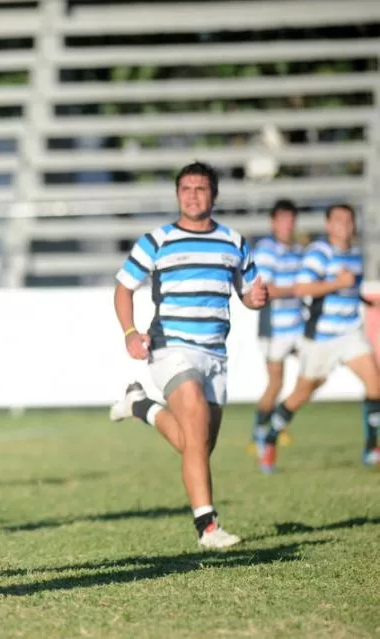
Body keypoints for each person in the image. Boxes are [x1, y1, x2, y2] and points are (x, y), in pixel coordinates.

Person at [109, 161, 268, 549]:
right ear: (177, 194)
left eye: (200, 188)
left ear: (213, 194)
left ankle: (139, 405)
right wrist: (130, 333)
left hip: (215, 354)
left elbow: (248, 292)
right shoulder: (157, 240)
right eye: (185, 188)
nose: (192, 195)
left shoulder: (233, 241)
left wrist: (256, 299)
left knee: (194, 443)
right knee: (194, 425)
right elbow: (123, 288)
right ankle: (208, 528)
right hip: (170, 348)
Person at [256, 204, 380, 470]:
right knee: (302, 393)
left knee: (375, 381)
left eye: (349, 220)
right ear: (328, 225)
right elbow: (301, 288)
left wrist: (368, 303)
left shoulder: (355, 255)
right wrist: (337, 283)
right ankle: (270, 436)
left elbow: (350, 289)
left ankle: (371, 448)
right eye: (338, 220)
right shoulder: (318, 254)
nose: (345, 225)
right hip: (321, 338)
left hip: (349, 332)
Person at [250, 200, 303, 461]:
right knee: (276, 383)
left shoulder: (297, 250)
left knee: (314, 374)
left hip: (299, 325)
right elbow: (265, 289)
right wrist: (299, 289)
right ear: (274, 222)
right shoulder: (266, 250)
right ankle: (260, 432)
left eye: (291, 219)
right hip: (274, 327)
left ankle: (277, 424)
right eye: (283, 219)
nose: (288, 224)